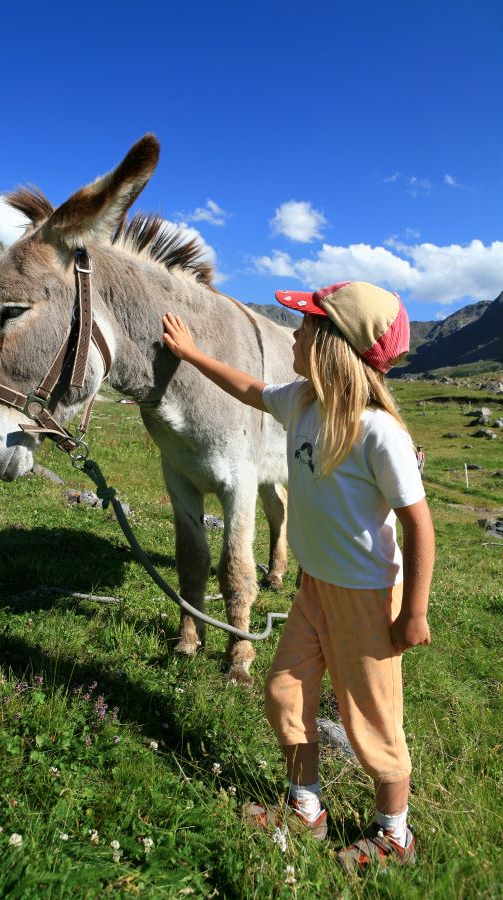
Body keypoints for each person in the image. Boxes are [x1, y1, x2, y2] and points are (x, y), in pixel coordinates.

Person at [162, 281, 434, 871]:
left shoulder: (377, 433)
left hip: (366, 602)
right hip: (314, 590)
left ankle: (395, 836)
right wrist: (190, 355)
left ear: (334, 346)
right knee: (284, 694)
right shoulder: (302, 403)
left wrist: (414, 610)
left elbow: (419, 525)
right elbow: (249, 388)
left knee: (374, 725)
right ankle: (305, 807)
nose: (294, 333)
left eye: (306, 326)